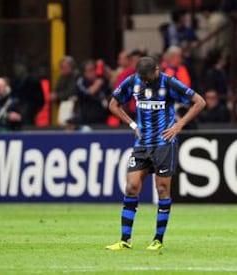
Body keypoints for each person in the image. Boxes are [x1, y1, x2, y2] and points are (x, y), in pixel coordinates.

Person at [106, 57, 205, 251]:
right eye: (141, 78)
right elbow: (113, 104)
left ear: (157, 70)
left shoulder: (169, 82)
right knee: (132, 186)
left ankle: (158, 239)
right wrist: (132, 124)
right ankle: (125, 240)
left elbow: (199, 102)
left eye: (147, 78)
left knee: (161, 190)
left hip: (164, 143)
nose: (144, 82)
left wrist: (179, 125)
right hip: (142, 143)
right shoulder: (133, 81)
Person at [75, 60, 109, 125]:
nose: (93, 73)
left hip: (102, 119)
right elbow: (88, 93)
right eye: (90, 71)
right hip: (86, 120)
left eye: (94, 70)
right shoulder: (81, 81)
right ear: (84, 72)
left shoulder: (102, 80)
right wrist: (96, 85)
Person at [11, 61, 45, 126]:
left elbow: (40, 99)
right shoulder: (15, 81)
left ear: (25, 68)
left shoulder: (33, 81)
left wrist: (33, 110)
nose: (17, 69)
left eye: (19, 66)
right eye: (16, 67)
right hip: (17, 110)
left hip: (29, 110)